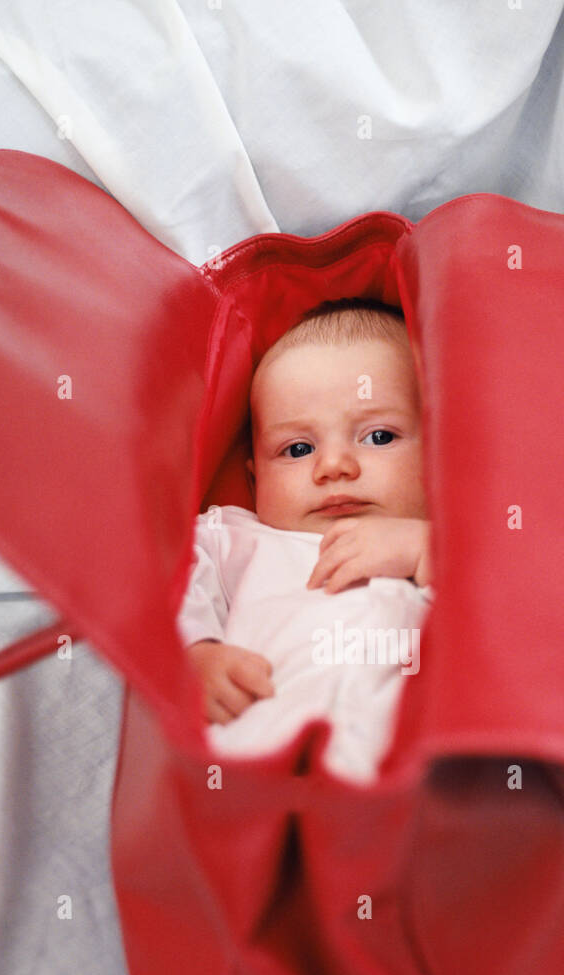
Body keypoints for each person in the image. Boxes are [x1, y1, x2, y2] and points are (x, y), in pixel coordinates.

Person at [176, 298, 433, 783]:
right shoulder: (238, 540)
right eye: (298, 449)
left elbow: (515, 608)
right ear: (254, 482)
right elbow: (167, 572)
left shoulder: (452, 545)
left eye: (378, 437)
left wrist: (424, 548)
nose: (333, 466)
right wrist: (196, 653)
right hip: (260, 765)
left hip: (424, 783)